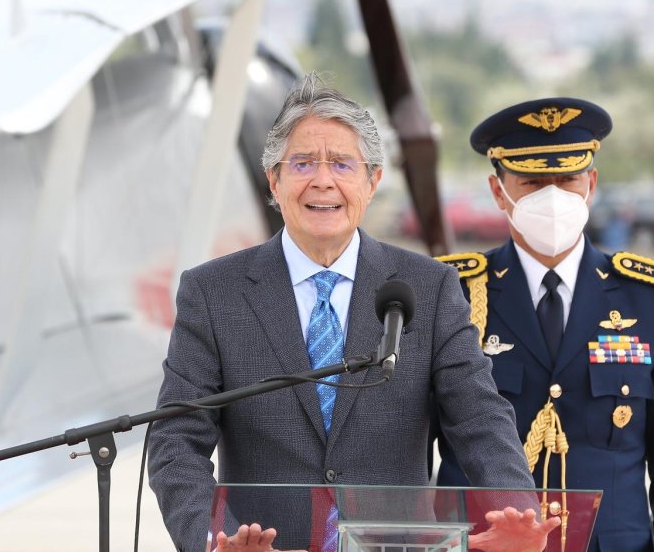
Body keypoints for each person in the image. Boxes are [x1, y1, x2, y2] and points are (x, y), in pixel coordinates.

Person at [147, 75, 556, 552]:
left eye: (342, 163)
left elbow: (479, 419)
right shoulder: (213, 292)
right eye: (302, 163)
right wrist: (212, 541)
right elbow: (176, 441)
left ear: (373, 181)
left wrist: (517, 512)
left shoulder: (428, 287)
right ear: (274, 181)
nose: (323, 180)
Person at [434, 97, 654, 551]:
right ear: (498, 191)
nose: (553, 197)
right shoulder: (452, 294)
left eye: (567, 179)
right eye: (533, 182)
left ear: (592, 183)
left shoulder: (648, 298)